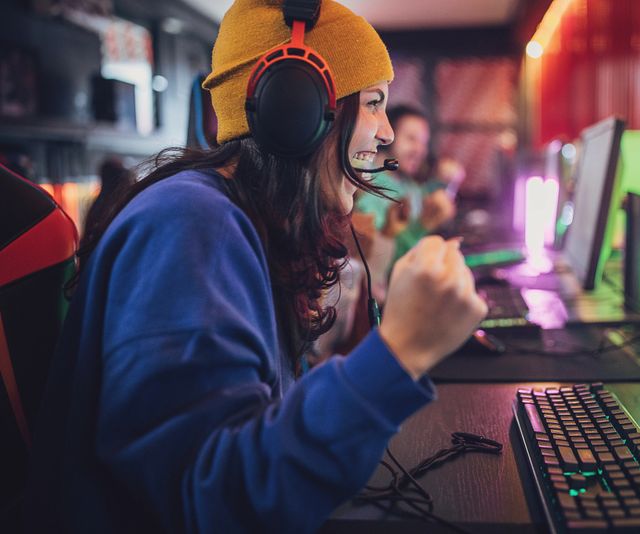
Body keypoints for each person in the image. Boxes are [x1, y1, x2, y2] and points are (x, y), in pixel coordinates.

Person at [24, 1, 487, 532]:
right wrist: (401, 350)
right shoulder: (191, 223)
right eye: (373, 103)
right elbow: (213, 502)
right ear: (297, 106)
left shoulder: (243, 220)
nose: (385, 134)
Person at [355, 105, 466, 302]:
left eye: (424, 143)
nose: (420, 150)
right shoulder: (371, 187)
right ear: (388, 139)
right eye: (411, 139)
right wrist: (421, 227)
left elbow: (423, 200)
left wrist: (447, 183)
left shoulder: (407, 184)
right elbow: (379, 263)